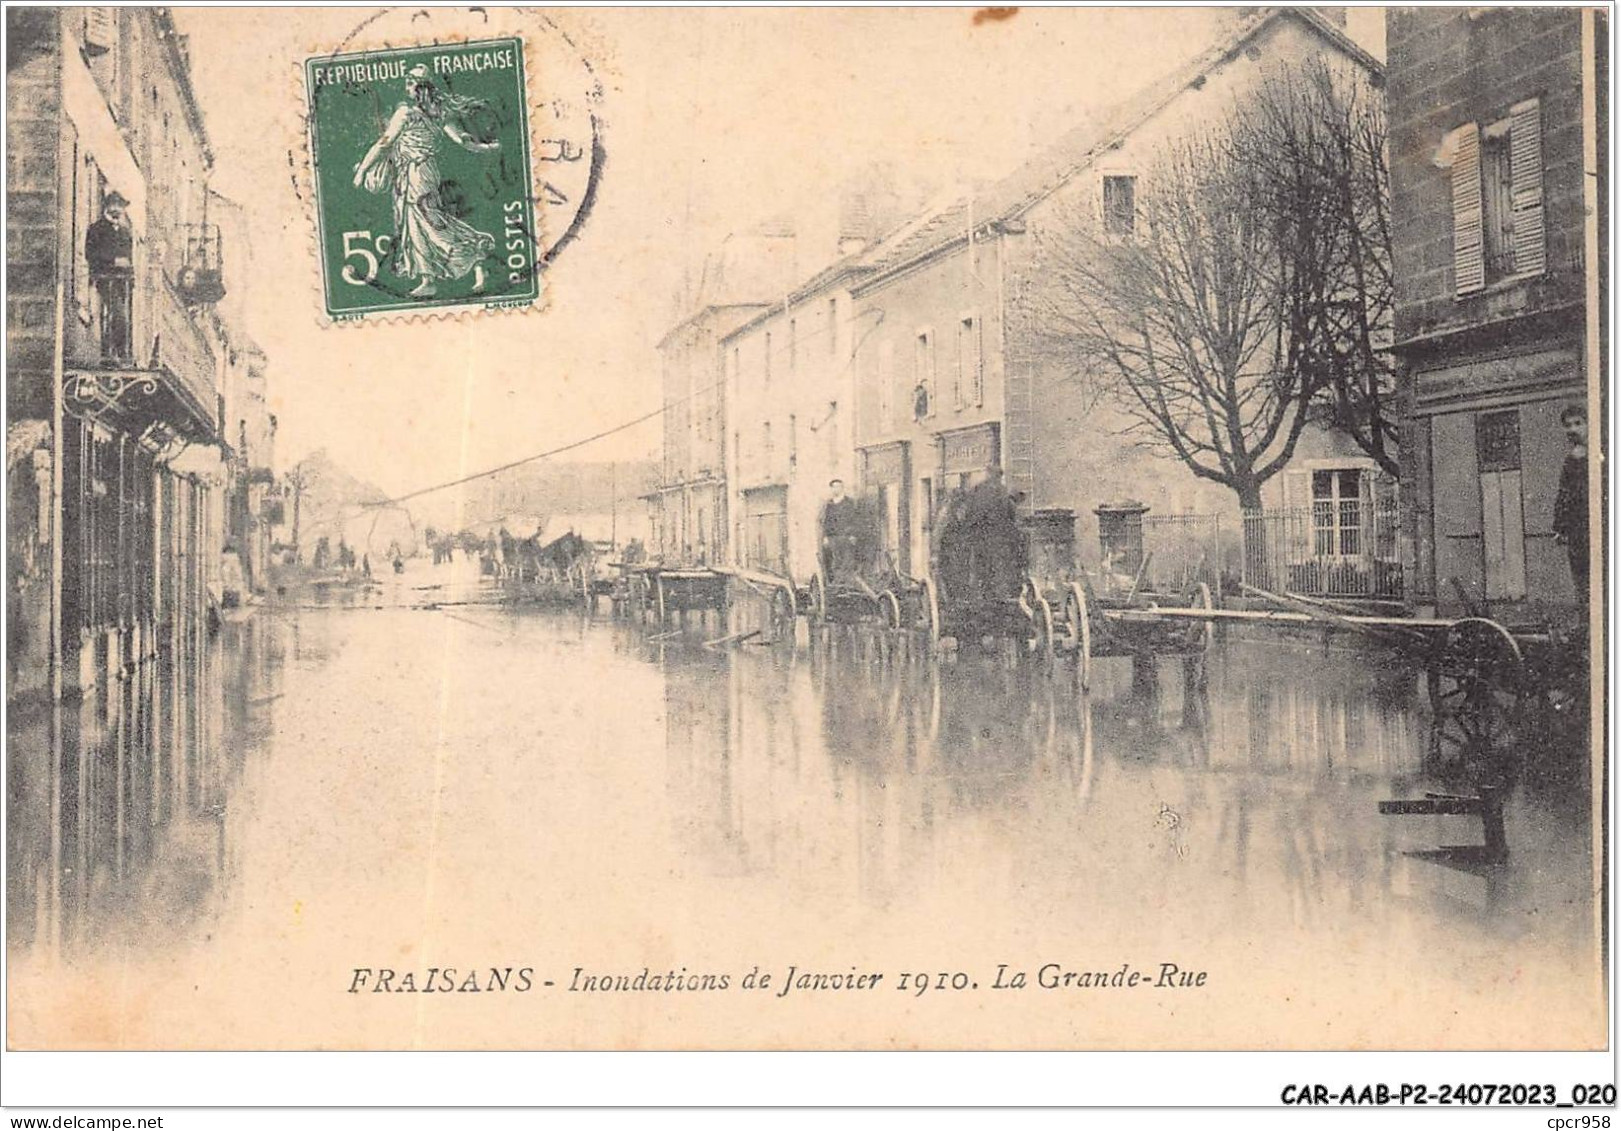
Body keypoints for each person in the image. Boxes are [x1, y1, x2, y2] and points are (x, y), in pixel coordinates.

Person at [352, 64, 500, 298]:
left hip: (415, 174)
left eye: (410, 82)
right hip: (425, 172)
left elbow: (384, 143)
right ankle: (475, 265)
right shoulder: (439, 112)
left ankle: (436, 275)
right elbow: (463, 140)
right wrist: (485, 147)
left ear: (419, 87)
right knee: (428, 221)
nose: (406, 87)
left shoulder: (406, 114)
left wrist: (362, 170)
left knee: (423, 223)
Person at [84, 191, 134, 362]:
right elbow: (91, 254)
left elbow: (128, 259)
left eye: (121, 206)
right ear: (107, 207)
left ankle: (120, 352)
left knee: (123, 317)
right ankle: (112, 352)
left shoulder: (125, 232)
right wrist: (114, 261)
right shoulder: (97, 228)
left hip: (121, 283)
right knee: (116, 316)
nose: (118, 209)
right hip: (103, 280)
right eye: (115, 205)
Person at [1553, 403, 1591, 613]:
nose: (1573, 430)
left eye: (1578, 423)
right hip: (1578, 534)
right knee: (1582, 582)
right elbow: (1564, 495)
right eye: (1568, 425)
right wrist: (1560, 527)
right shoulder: (1571, 461)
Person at [820, 479, 859, 582]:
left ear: (842, 488)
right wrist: (825, 537)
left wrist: (853, 535)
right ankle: (836, 583)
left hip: (846, 537)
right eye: (834, 487)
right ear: (831, 489)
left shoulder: (849, 503)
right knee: (835, 560)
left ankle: (847, 583)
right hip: (833, 537)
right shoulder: (830, 504)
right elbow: (827, 521)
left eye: (838, 486)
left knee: (848, 560)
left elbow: (854, 519)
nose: (836, 489)